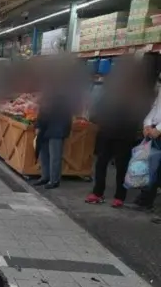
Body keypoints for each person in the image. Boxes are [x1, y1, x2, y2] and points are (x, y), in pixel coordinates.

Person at [85, 56, 151, 208]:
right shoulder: (128, 92)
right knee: (113, 165)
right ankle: (110, 195)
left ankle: (106, 194)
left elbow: (97, 111)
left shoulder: (129, 93)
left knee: (110, 165)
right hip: (117, 133)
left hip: (116, 133)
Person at [33, 59, 83, 189]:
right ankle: (45, 176)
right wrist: (38, 124)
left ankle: (54, 180)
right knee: (44, 153)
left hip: (57, 126)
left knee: (55, 155)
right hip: (46, 125)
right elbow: (43, 108)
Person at [133, 54, 161, 210]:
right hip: (153, 131)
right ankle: (145, 198)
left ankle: (146, 199)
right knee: (149, 165)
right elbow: (155, 108)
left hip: (158, 132)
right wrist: (147, 124)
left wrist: (158, 129)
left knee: (154, 167)